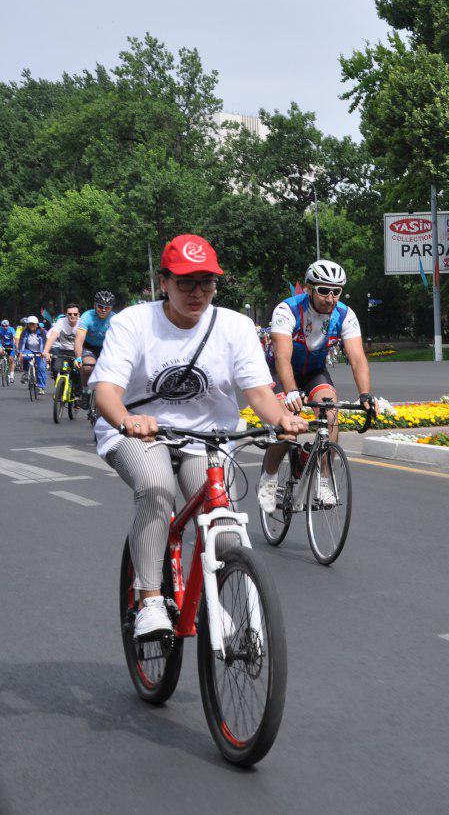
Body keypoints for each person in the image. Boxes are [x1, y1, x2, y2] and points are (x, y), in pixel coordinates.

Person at [89, 234, 308, 639]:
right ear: (164, 282)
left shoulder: (235, 326)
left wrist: (282, 419)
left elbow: (258, 391)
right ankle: (151, 601)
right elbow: (106, 392)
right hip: (139, 432)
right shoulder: (133, 323)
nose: (197, 293)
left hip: (205, 437)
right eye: (186, 282)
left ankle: (212, 602)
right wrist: (127, 420)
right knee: (156, 488)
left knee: (222, 529)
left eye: (206, 282)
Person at [257, 259, 374, 512]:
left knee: (330, 414)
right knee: (287, 426)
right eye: (323, 290)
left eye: (336, 291)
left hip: (313, 372)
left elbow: (356, 358)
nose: (330, 298)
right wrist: (289, 393)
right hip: (281, 372)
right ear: (309, 289)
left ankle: (323, 479)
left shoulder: (345, 314)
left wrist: (365, 395)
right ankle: (269, 477)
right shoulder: (287, 310)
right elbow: (282, 358)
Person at [74, 292, 116, 404]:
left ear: (111, 308)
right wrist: (78, 357)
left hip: (106, 348)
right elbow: (79, 339)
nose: (103, 310)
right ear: (95, 305)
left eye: (107, 308)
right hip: (89, 346)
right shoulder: (87, 316)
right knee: (88, 367)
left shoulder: (115, 319)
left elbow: (121, 340)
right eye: (100, 306)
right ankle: (86, 391)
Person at [43, 303, 82, 397]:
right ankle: (61, 386)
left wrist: (80, 356)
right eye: (70, 314)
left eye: (75, 314)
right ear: (66, 314)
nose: (72, 316)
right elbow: (53, 336)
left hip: (78, 351)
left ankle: (77, 394)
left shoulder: (82, 323)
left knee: (78, 372)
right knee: (56, 368)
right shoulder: (61, 322)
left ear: (78, 315)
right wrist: (46, 351)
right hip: (63, 350)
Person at [16, 316, 47, 391]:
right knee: (25, 357)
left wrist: (43, 352)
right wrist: (20, 352)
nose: (31, 326)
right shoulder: (25, 332)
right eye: (30, 324)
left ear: (37, 325)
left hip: (40, 351)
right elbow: (22, 342)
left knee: (41, 368)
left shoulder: (42, 332)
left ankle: (41, 386)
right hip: (28, 349)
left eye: (33, 324)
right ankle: (26, 371)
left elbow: (44, 343)